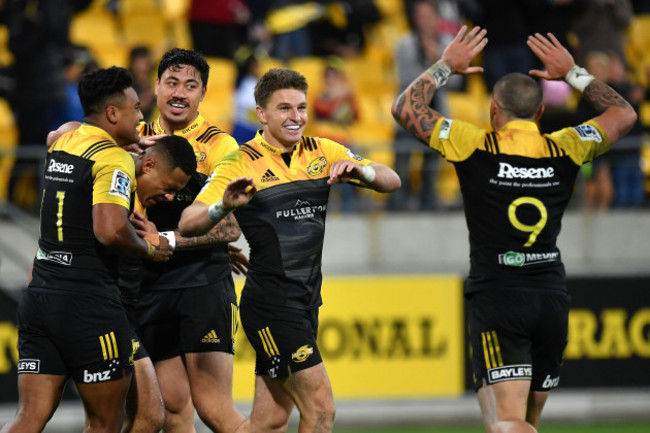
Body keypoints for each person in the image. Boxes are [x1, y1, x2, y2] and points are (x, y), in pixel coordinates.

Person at [391, 26, 636, 433]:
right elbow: (625, 115)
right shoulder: (567, 145)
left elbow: (405, 108)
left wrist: (444, 67)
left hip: (499, 298)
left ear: (493, 109)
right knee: (522, 422)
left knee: (508, 423)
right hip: (551, 299)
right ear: (540, 114)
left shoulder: (472, 144)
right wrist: (574, 72)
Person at [178, 67, 401, 433]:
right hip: (271, 305)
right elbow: (189, 221)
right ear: (261, 114)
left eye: (301, 107)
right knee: (320, 409)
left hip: (306, 302)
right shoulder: (240, 161)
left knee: (270, 420)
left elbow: (392, 181)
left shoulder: (323, 149)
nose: (296, 117)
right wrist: (224, 206)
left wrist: (363, 173)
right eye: (284, 108)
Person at [1, 66, 175, 433]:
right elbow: (110, 231)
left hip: (41, 297)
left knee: (28, 417)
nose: (142, 117)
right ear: (113, 114)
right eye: (135, 108)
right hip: (89, 305)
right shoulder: (114, 160)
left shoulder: (67, 139)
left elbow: (54, 133)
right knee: (105, 424)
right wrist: (148, 248)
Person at [135, 47, 247, 433]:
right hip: (149, 286)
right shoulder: (133, 142)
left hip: (203, 284)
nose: (179, 92)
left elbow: (229, 228)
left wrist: (166, 240)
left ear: (203, 94)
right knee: (172, 408)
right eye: (172, 82)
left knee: (214, 408)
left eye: (190, 85)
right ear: (156, 86)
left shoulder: (221, 147)